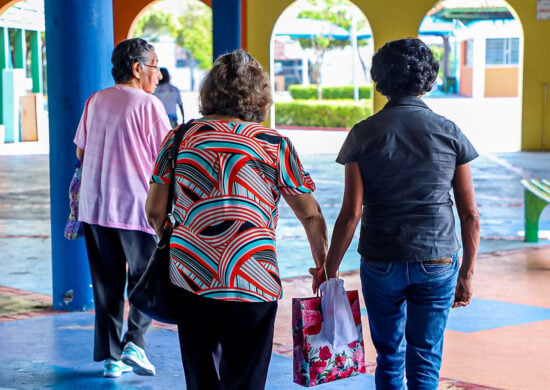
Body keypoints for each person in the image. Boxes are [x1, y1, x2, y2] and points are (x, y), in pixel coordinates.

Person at [146, 48, 328, 390]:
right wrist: (323, 267)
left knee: (201, 379)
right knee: (246, 380)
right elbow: (311, 214)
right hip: (253, 279)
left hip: (191, 278)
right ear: (259, 97)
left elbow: (155, 211)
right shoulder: (275, 144)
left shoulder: (179, 138)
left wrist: (174, 241)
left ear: (209, 93)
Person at [319, 38, 480, 389]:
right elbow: (470, 214)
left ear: (381, 80)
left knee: (389, 356)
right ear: (429, 80)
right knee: (425, 357)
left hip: (381, 259)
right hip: (437, 259)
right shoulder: (450, 132)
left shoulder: (363, 133)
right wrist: (466, 272)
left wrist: (329, 269)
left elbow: (350, 213)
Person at [74, 38, 171, 378]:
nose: (158, 75)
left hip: (96, 207)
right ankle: (135, 343)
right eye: (155, 66)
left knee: (106, 285)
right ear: (136, 68)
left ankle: (113, 359)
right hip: (134, 208)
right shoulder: (148, 106)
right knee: (148, 278)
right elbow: (166, 158)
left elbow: (81, 154)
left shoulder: (95, 101)